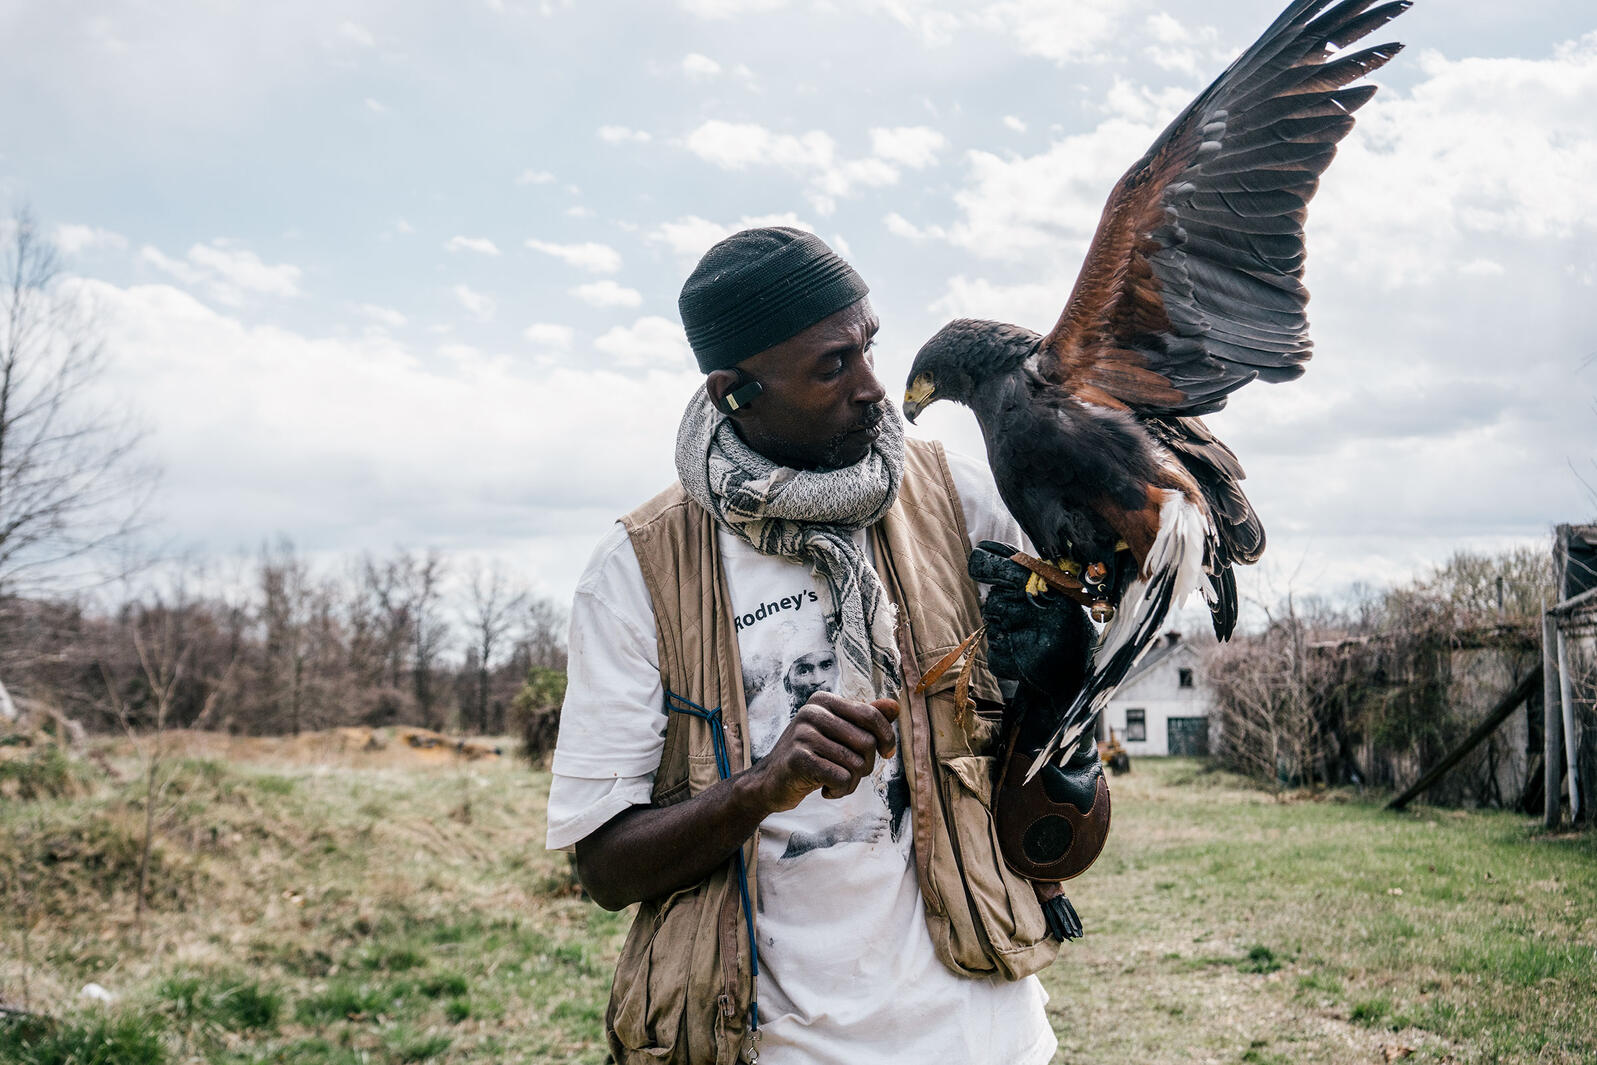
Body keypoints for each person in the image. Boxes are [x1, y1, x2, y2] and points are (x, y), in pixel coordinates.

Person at [546, 227, 1064, 1065]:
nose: (874, 388)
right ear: (734, 393)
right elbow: (605, 868)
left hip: (986, 1037)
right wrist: (762, 786)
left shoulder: (951, 498)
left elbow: (1062, 681)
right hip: (776, 1047)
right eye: (832, 366)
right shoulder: (638, 570)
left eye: (869, 348)